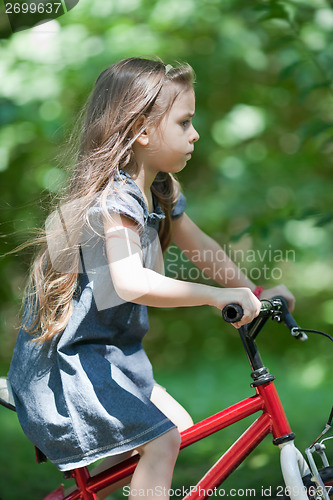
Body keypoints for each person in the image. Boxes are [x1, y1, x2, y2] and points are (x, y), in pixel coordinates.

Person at [8, 57, 294, 500]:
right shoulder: (115, 198)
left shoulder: (159, 189)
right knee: (161, 441)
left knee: (175, 428)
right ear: (142, 131)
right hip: (70, 368)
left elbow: (202, 248)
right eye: (184, 122)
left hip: (109, 359)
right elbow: (131, 281)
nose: (195, 133)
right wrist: (215, 297)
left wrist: (255, 292)